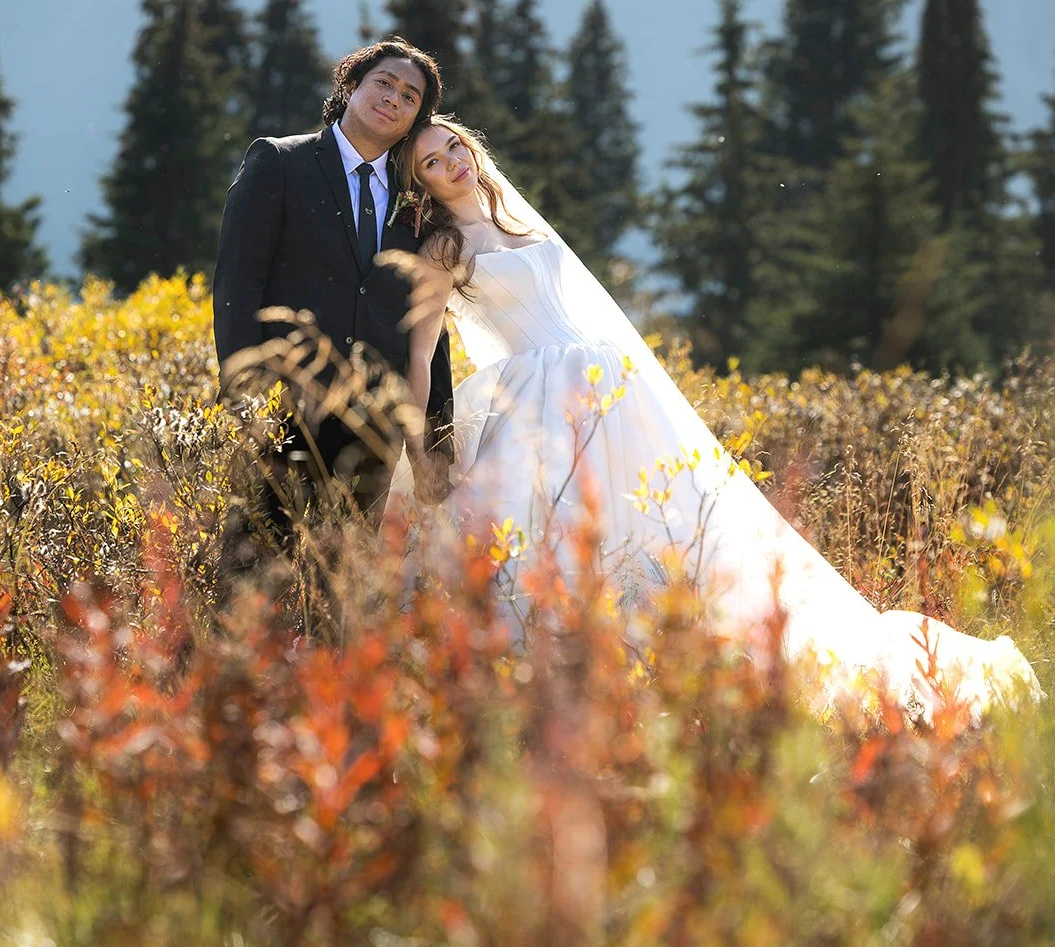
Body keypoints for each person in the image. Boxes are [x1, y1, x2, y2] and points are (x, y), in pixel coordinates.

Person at [388, 114, 1041, 720]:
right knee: (542, 532)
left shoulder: (519, 218)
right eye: (432, 164)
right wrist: (420, 447)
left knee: (659, 520)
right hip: (537, 400)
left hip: (611, 387)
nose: (453, 162)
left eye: (454, 146)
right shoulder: (444, 246)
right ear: (419, 184)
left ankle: (677, 656)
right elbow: (423, 353)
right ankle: (555, 675)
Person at [212, 39, 455, 588]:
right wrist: (245, 390)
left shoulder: (417, 198)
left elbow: (429, 329)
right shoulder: (279, 162)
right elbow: (237, 283)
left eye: (410, 96)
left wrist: (436, 438)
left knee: (342, 587)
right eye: (384, 83)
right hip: (284, 408)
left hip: (376, 425)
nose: (394, 98)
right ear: (351, 85)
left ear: (418, 118)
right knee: (251, 575)